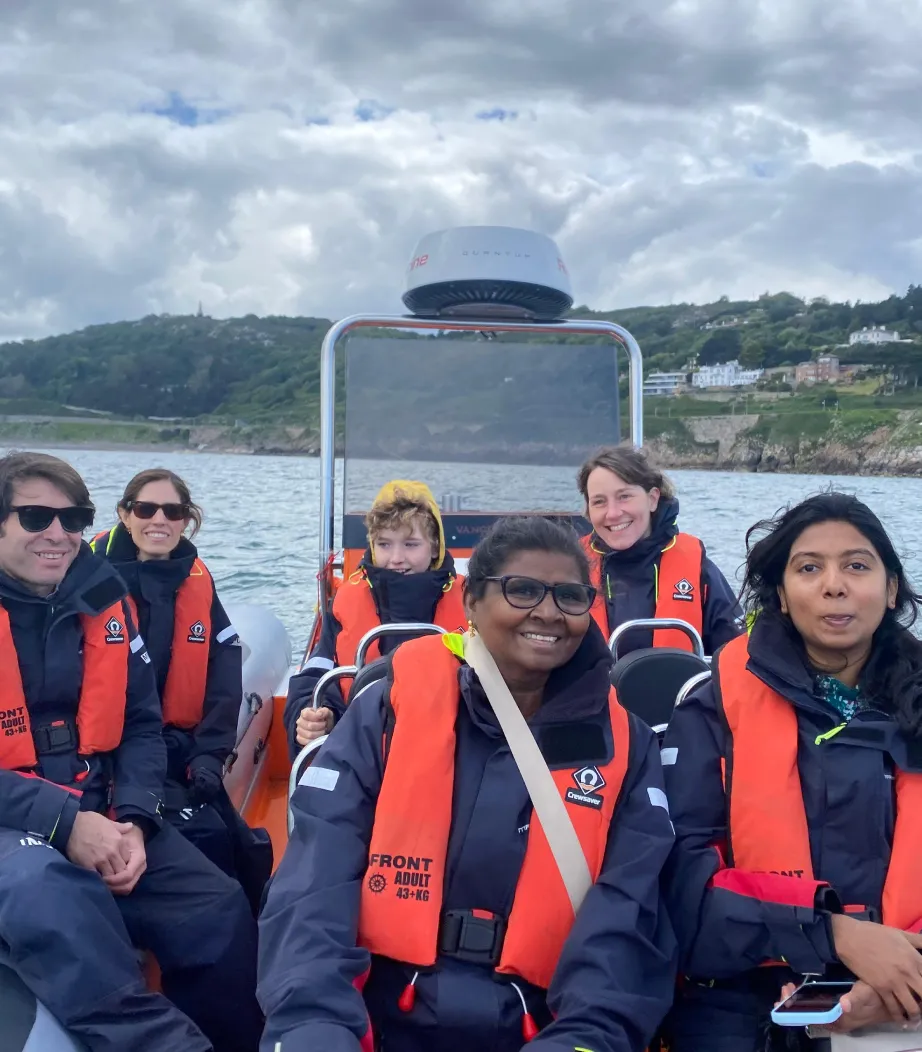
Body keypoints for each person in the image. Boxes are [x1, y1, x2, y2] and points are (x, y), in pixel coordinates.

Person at [259, 515, 677, 1052]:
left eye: (571, 596)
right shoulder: (387, 714)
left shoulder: (628, 746)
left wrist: (584, 1040)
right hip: (378, 1018)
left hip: (547, 1027)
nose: (548, 612)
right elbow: (315, 883)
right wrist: (315, 1027)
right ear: (472, 602)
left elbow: (628, 918)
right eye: (522, 590)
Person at [0, 451, 263, 1052]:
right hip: (13, 821)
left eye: (74, 518)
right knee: (54, 898)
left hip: (104, 807)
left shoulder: (102, 601)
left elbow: (142, 725)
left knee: (217, 907)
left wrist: (137, 821)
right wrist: (66, 824)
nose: (59, 535)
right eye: (36, 516)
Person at [661, 492, 922, 1051]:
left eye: (857, 565)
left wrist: (898, 983)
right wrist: (833, 933)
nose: (834, 585)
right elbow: (680, 884)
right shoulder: (713, 709)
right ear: (780, 593)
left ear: (891, 587)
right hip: (747, 993)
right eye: (809, 568)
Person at [90, 468, 271, 911]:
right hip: (106, 756)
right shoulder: (86, 578)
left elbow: (224, 669)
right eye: (145, 509)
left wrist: (210, 754)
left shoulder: (196, 578)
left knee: (231, 845)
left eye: (173, 511)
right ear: (124, 514)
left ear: (187, 519)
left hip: (176, 751)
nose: (159, 520)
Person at [284, 479, 465, 758]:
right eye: (384, 544)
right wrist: (314, 716)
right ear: (372, 545)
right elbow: (316, 673)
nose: (396, 558)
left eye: (411, 544)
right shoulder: (345, 601)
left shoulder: (472, 601)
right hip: (364, 747)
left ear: (434, 547)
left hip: (451, 745)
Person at [576, 444, 743, 655]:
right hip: (595, 689)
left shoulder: (699, 570)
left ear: (652, 499)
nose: (613, 513)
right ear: (589, 510)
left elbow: (737, 652)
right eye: (599, 502)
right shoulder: (573, 568)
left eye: (624, 496)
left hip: (681, 687)